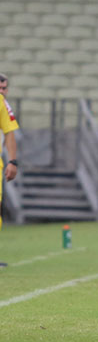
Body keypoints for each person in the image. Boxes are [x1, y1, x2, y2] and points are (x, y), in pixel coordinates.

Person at [0, 73, 19, 233]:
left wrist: (12, 161)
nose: (1, 91)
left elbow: (9, 132)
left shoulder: (3, 105)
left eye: (4, 88)